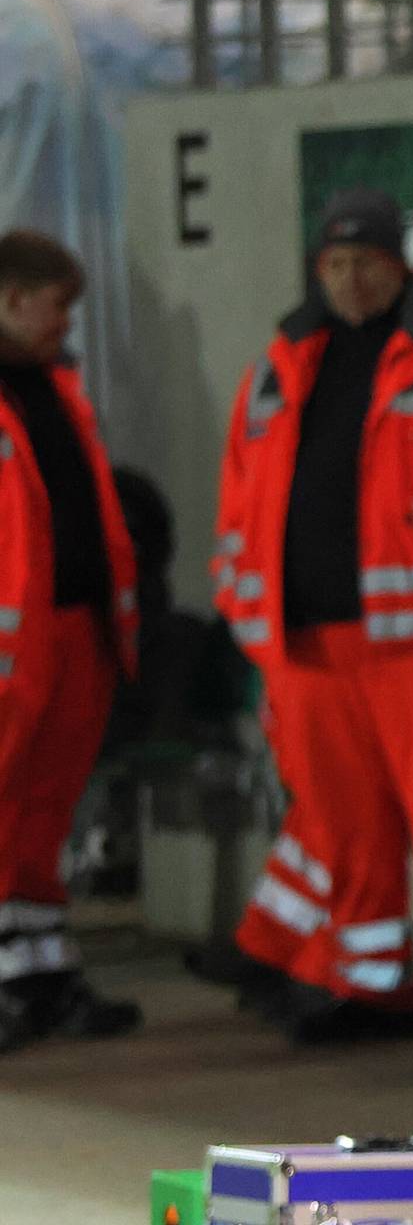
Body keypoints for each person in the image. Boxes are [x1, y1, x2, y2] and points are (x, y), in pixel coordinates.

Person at [207, 189, 413, 1045]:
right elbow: (236, 504)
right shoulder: (276, 368)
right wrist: (242, 608)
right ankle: (369, 983)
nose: (350, 280)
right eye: (336, 265)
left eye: (368, 263)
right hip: (303, 643)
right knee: (347, 827)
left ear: (400, 267)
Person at [0, 229, 141, 1050]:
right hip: (18, 641)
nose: (66, 323)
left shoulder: (57, 387)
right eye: (56, 307)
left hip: (72, 631)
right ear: (13, 300)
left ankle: (42, 973)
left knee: (43, 813)